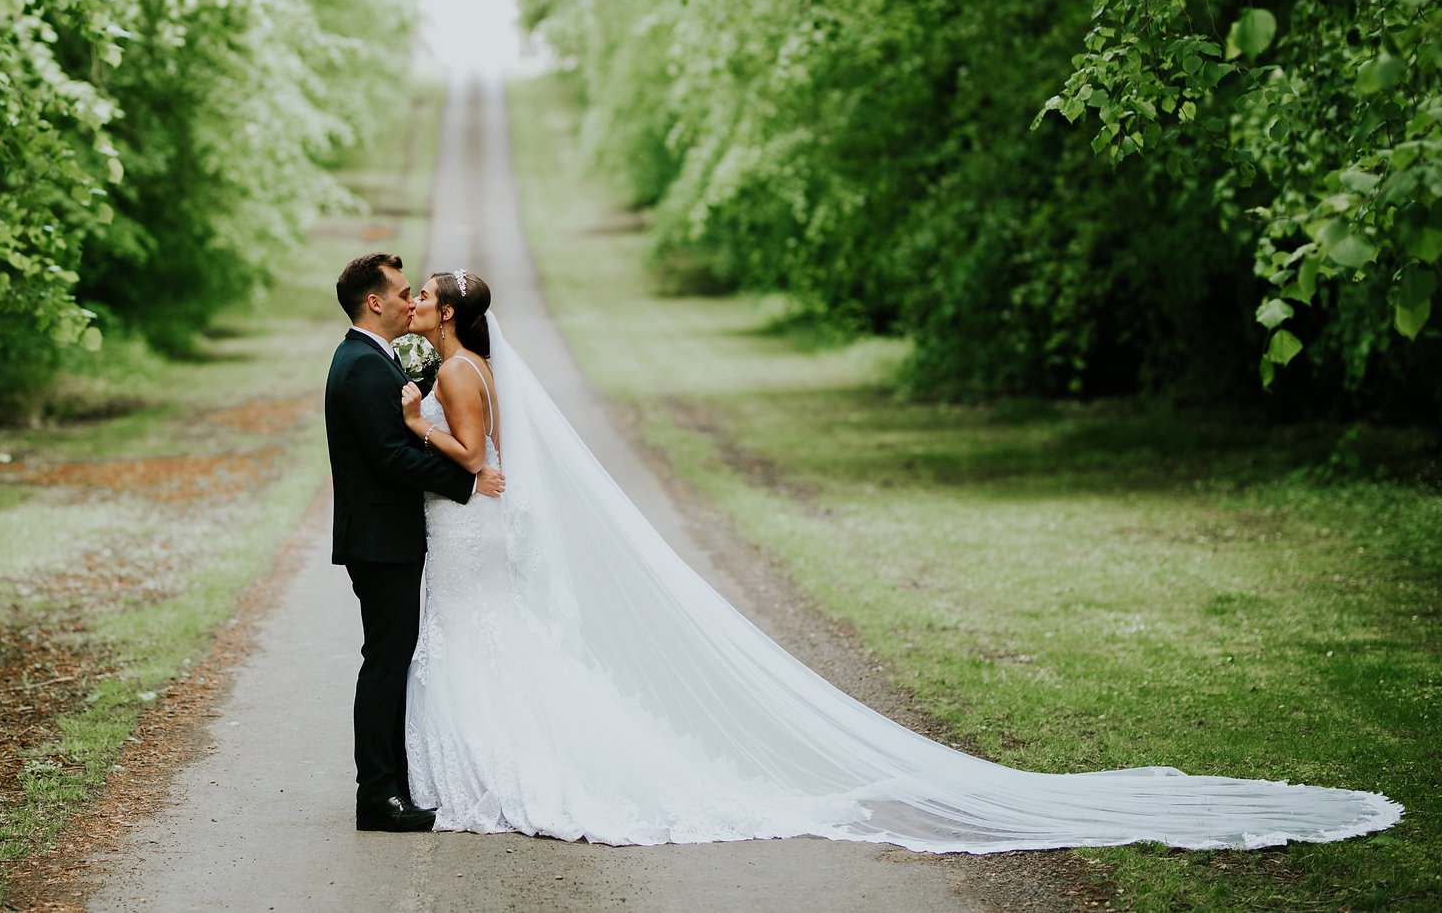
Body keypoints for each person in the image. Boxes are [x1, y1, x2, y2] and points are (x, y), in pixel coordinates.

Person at [388, 267, 1403, 852]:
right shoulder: (458, 360)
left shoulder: (462, 372)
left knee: (489, 640)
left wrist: (411, 420)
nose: (417, 299)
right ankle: (475, 767)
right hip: (469, 534)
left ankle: (504, 770)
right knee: (488, 641)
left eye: (425, 294)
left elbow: (481, 464)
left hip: (471, 525)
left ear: (449, 312)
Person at [323, 252, 504, 833]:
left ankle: (397, 782)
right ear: (374, 302)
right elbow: (392, 455)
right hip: (379, 541)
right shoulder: (362, 366)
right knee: (385, 662)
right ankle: (377, 796)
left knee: (393, 658)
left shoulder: (375, 360)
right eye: (402, 292)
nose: (409, 300)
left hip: (386, 538)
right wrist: (469, 481)